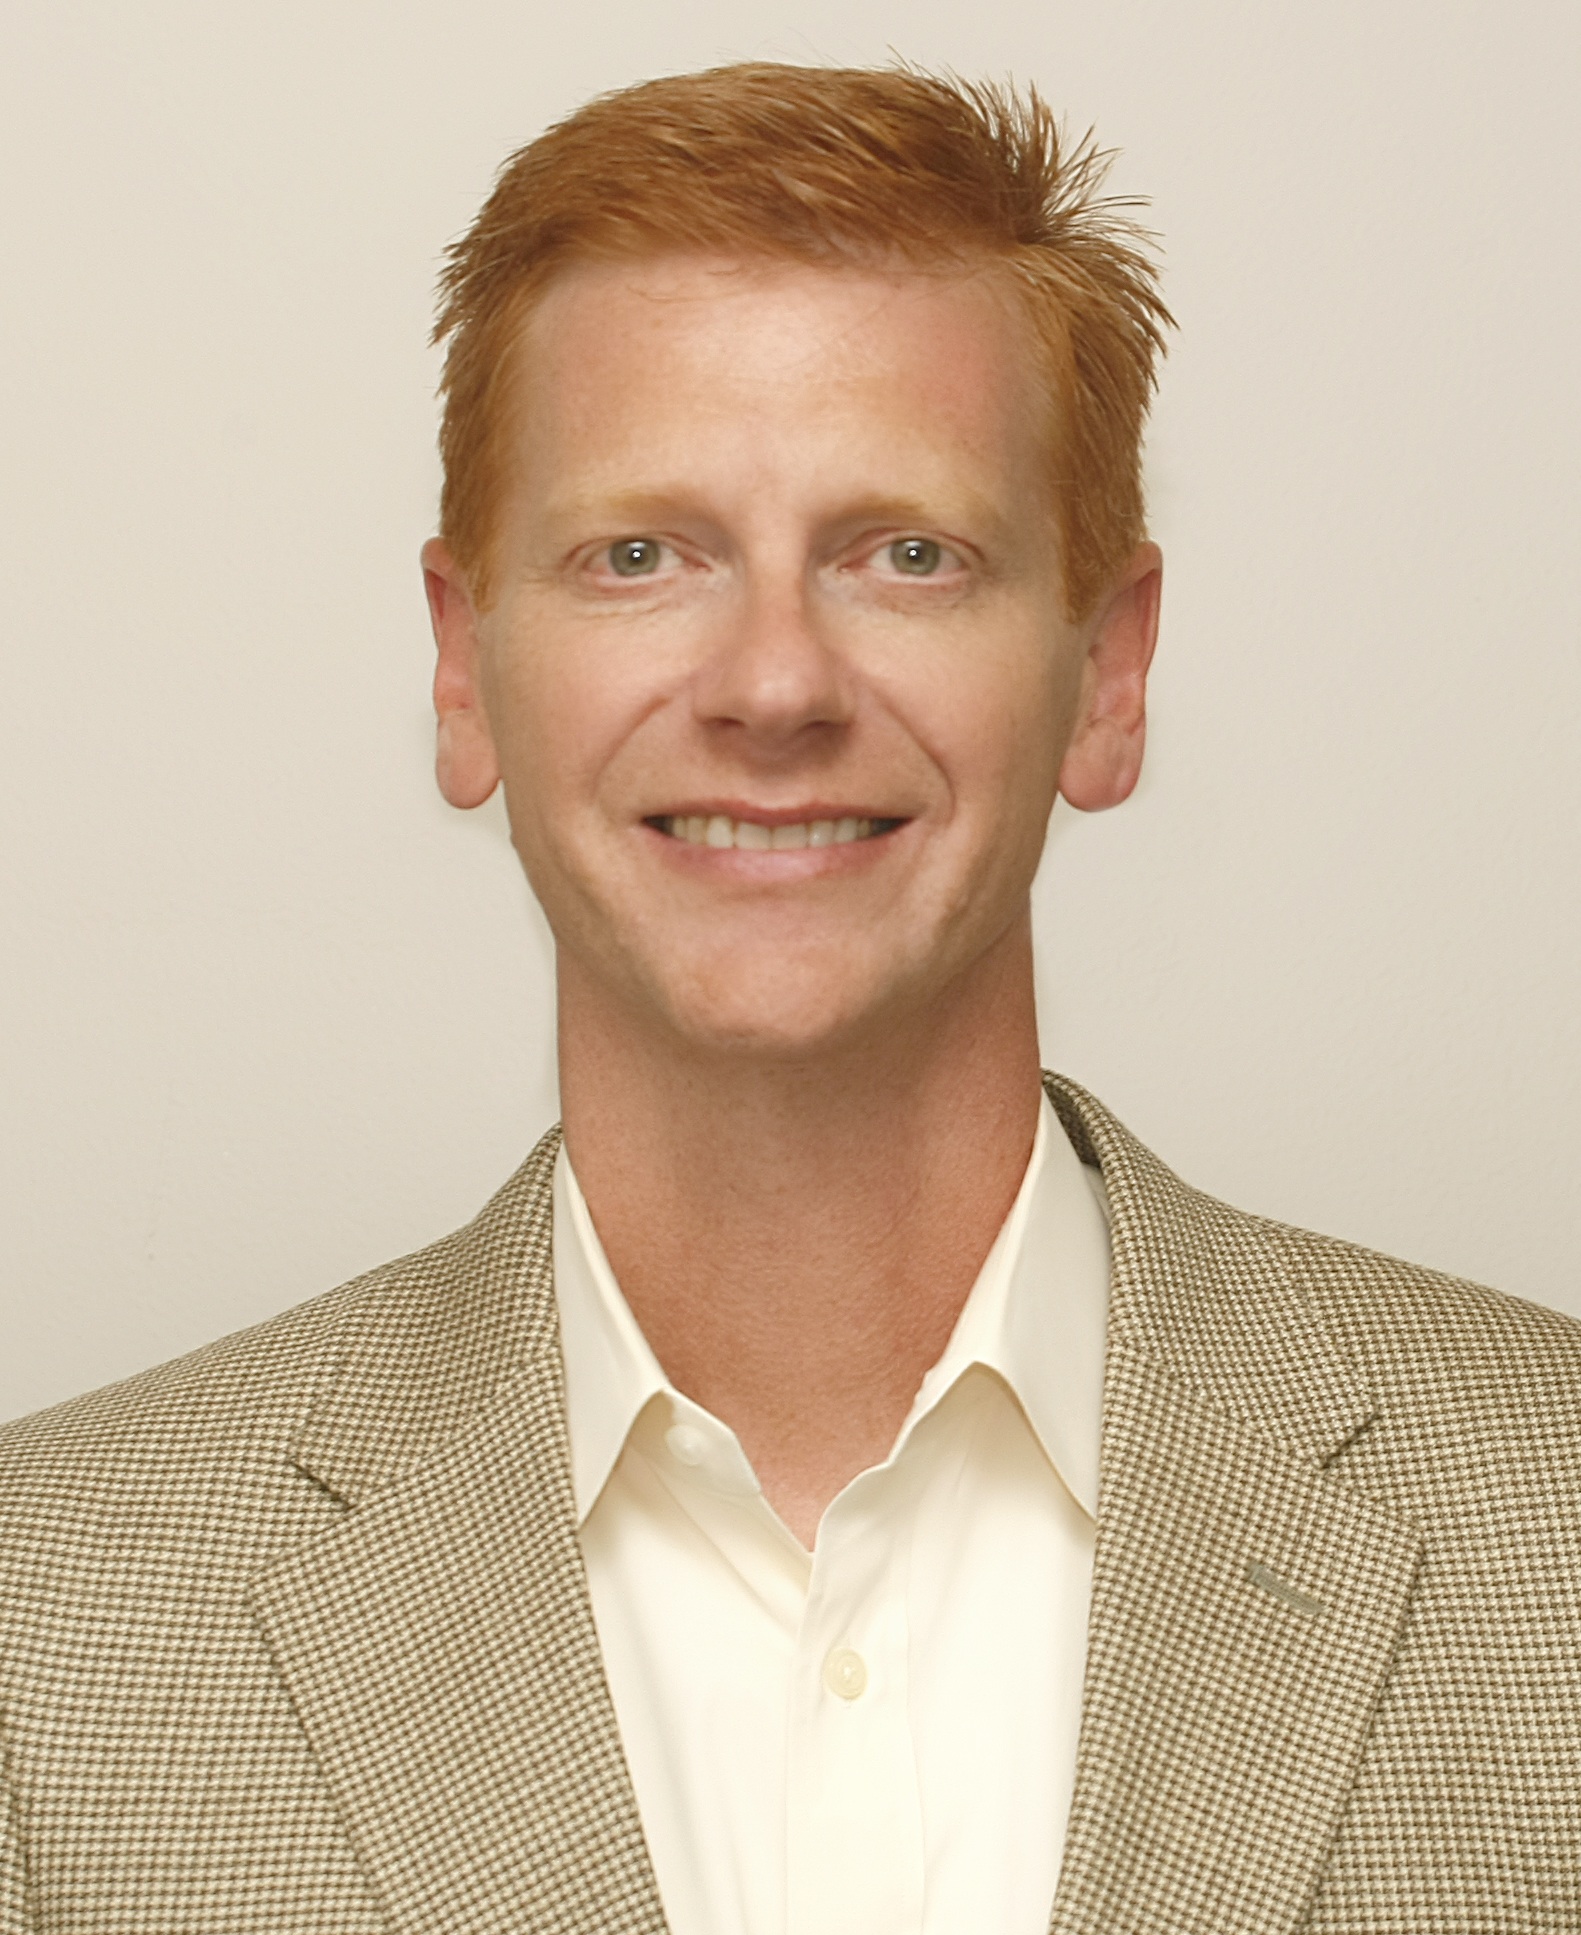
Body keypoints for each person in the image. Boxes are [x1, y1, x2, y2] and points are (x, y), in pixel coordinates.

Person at [1, 60, 1576, 1935]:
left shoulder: (1549, 1525)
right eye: (639, 556)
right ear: (463, 670)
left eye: (905, 554)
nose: (771, 686)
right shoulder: (50, 1628)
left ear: (1108, 674)